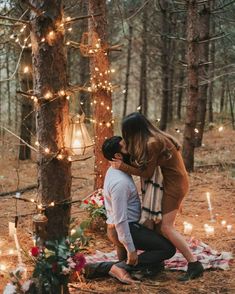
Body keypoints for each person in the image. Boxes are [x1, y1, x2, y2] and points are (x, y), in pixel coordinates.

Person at [110, 113, 204, 281]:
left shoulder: (152, 143)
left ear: (133, 131)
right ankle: (155, 264)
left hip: (173, 186)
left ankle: (194, 264)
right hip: (174, 182)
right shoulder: (153, 138)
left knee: (167, 227)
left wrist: (123, 166)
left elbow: (147, 172)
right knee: (160, 225)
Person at [102, 136, 176, 282]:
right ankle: (119, 267)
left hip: (122, 227)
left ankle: (130, 266)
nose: (131, 148)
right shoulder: (120, 183)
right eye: (126, 146)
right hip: (125, 228)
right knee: (168, 249)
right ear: (118, 156)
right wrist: (131, 250)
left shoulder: (115, 169)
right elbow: (121, 220)